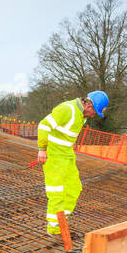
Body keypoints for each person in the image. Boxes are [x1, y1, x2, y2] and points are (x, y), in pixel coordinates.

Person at [36, 90, 108, 238]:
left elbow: (66, 132)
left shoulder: (81, 115)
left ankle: (62, 222)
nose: (94, 116)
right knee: (57, 192)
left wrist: (71, 143)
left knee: (74, 188)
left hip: (67, 155)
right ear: (89, 106)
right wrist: (42, 149)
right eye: (95, 112)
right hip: (54, 155)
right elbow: (43, 125)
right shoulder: (67, 109)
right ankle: (54, 228)